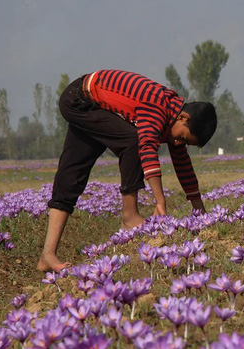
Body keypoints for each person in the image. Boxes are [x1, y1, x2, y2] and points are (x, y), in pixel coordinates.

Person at [37, 69, 217, 272]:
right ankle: (129, 216)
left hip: (94, 105)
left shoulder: (174, 119)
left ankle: (47, 255)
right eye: (182, 138)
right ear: (183, 117)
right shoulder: (158, 107)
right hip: (80, 99)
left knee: (72, 174)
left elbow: (183, 164)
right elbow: (147, 146)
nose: (177, 143)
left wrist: (199, 208)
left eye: (184, 142)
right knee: (133, 140)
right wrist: (160, 200)